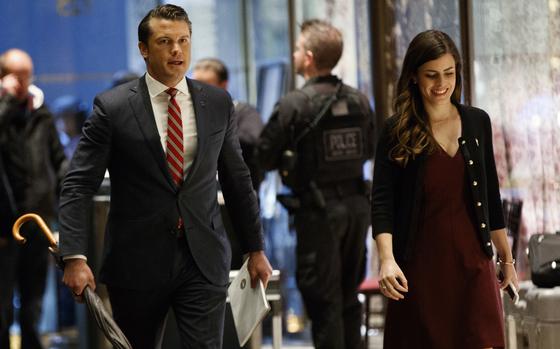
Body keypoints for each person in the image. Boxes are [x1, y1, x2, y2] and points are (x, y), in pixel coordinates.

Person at [58, 4, 272, 349]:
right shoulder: (112, 107)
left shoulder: (217, 103)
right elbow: (78, 183)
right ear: (144, 49)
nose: (177, 50)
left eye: (184, 41)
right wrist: (74, 256)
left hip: (202, 257)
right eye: (165, 41)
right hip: (137, 261)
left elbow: (237, 181)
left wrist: (255, 248)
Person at [371, 29, 518, 349]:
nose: (441, 84)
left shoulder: (478, 121)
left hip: (473, 262)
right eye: (431, 75)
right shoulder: (396, 131)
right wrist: (386, 259)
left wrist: (506, 258)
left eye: (449, 74)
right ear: (413, 77)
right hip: (421, 267)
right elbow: (381, 202)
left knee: (482, 340)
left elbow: (491, 196)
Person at [257, 19, 375, 349]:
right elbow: (370, 148)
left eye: (296, 49)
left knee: (324, 303)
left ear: (308, 57)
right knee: (349, 298)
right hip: (356, 209)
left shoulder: (294, 104)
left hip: (319, 214)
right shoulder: (359, 101)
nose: (293, 54)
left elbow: (263, 156)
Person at [0, 48, 68, 349]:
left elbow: (58, 160)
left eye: (28, 75)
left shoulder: (41, 112)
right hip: (4, 222)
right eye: (17, 76)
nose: (24, 82)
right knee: (2, 299)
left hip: (38, 219)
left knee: (34, 296)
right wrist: (5, 103)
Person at [192, 58, 264, 192]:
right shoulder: (190, 115)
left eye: (205, 85)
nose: (198, 91)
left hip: (238, 195)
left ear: (223, 85)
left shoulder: (244, 112)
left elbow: (254, 140)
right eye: (194, 85)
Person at [51, 95, 88, 159]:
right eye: (64, 117)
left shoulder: (88, 142)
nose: (63, 122)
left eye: (68, 117)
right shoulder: (59, 142)